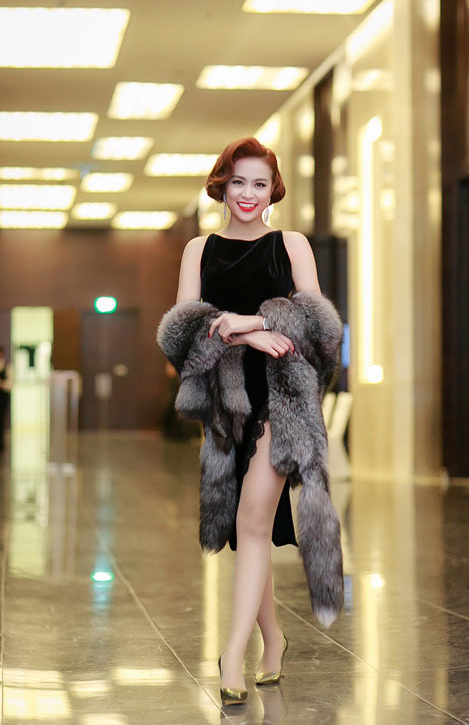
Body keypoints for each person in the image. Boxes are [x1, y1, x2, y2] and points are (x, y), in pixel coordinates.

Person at [157, 137, 343, 707]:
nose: (248, 194)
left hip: (283, 401)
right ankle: (274, 638)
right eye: (238, 181)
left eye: (259, 184)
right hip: (226, 406)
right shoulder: (199, 249)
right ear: (222, 185)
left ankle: (232, 654)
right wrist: (248, 335)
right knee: (247, 530)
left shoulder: (291, 244)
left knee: (254, 519)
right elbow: (180, 331)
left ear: (273, 190)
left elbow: (320, 326)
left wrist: (249, 321)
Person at [0, 345, 13, 453]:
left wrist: (2, 384)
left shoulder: (8, 367)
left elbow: (10, 384)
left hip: (3, 397)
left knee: (1, 420)